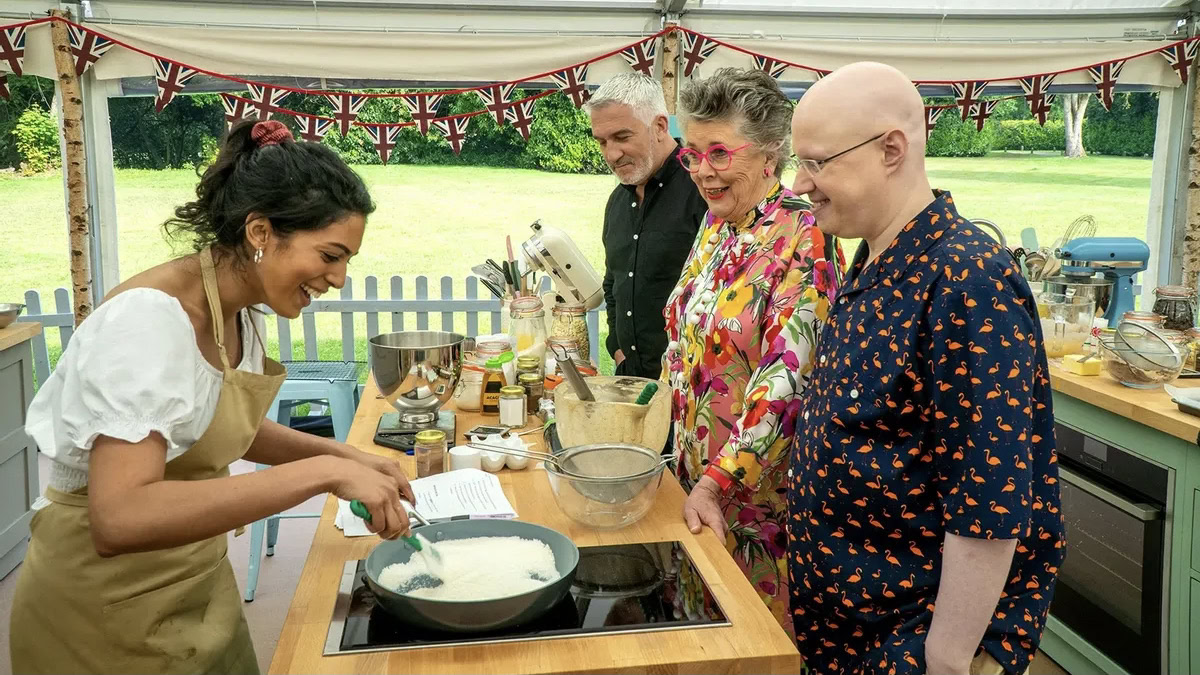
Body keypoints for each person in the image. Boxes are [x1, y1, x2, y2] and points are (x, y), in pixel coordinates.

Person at [10, 119, 416, 675]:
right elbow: (120, 517)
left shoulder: (241, 314)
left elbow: (215, 428)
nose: (340, 279)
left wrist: (345, 454)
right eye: (329, 255)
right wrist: (319, 475)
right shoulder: (148, 323)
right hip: (104, 613)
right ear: (260, 232)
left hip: (198, 586)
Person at [787, 62, 1064, 675]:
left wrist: (946, 657)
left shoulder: (967, 278)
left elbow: (988, 498)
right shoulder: (874, 258)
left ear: (892, 149)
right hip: (848, 630)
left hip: (914, 640)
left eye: (816, 162)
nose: (799, 183)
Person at [661, 67, 842, 636]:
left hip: (757, 506)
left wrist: (718, 481)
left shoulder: (804, 236)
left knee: (753, 642)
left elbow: (788, 382)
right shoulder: (719, 225)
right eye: (691, 154)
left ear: (769, 154)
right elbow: (687, 341)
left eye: (719, 153)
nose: (702, 172)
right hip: (698, 489)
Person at [587, 72, 708, 378]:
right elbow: (613, 283)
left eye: (622, 137)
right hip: (631, 379)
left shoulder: (704, 190)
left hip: (691, 386)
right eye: (601, 141)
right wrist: (616, 346)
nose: (611, 154)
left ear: (659, 126)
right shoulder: (617, 202)